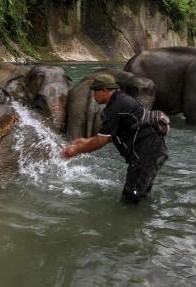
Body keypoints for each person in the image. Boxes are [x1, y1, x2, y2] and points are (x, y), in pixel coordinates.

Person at [61, 74, 169, 203]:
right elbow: (111, 135)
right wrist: (86, 142)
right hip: (150, 153)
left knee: (130, 198)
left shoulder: (115, 108)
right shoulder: (121, 101)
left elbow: (101, 141)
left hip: (146, 155)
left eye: (95, 92)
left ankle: (130, 221)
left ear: (105, 91)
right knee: (140, 193)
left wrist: (76, 150)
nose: (94, 96)